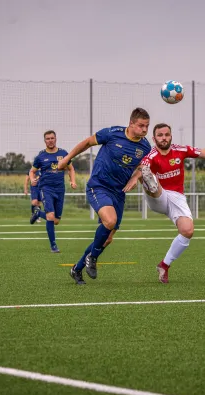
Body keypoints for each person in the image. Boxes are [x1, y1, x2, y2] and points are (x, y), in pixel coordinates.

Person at [124, 123, 205, 283]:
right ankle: (150, 182)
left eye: (166, 135)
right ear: (154, 138)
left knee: (188, 231)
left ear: (171, 136)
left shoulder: (181, 150)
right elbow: (142, 166)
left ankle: (164, 265)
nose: (164, 138)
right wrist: (136, 177)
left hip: (177, 197)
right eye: (160, 135)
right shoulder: (151, 155)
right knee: (147, 173)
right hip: (158, 196)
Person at [58, 107, 152, 285]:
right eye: (141, 126)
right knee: (109, 221)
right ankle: (93, 257)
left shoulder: (145, 146)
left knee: (107, 238)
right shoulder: (112, 133)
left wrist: (135, 177)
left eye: (147, 126)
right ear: (131, 123)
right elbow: (86, 143)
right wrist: (67, 159)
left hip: (119, 192)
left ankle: (76, 269)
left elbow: (143, 166)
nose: (145, 130)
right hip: (99, 186)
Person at [29, 130, 77, 253]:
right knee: (50, 216)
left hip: (60, 189)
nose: (50, 140)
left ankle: (38, 214)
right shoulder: (41, 156)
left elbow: (71, 169)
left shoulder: (63, 153)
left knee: (56, 221)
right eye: (47, 139)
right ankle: (53, 246)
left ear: (56, 139)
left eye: (52, 138)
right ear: (44, 141)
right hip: (46, 188)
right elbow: (32, 171)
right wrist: (32, 179)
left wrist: (72, 181)